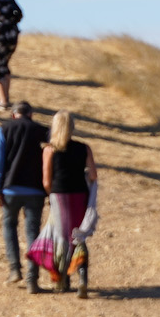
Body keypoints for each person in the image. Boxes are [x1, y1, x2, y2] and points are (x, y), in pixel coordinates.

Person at [34, 110, 99, 295]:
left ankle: (63, 280)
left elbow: (46, 181)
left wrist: (50, 196)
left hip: (59, 195)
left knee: (62, 237)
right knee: (78, 235)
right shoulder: (84, 148)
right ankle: (83, 276)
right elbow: (93, 175)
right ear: (72, 127)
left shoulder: (49, 150)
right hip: (80, 194)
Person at [0, 102, 49, 289]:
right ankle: (33, 279)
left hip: (10, 189)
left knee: (9, 227)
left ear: (13, 114)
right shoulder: (43, 131)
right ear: (31, 114)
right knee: (33, 232)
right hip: (35, 189)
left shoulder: (4, 129)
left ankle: (14, 269)